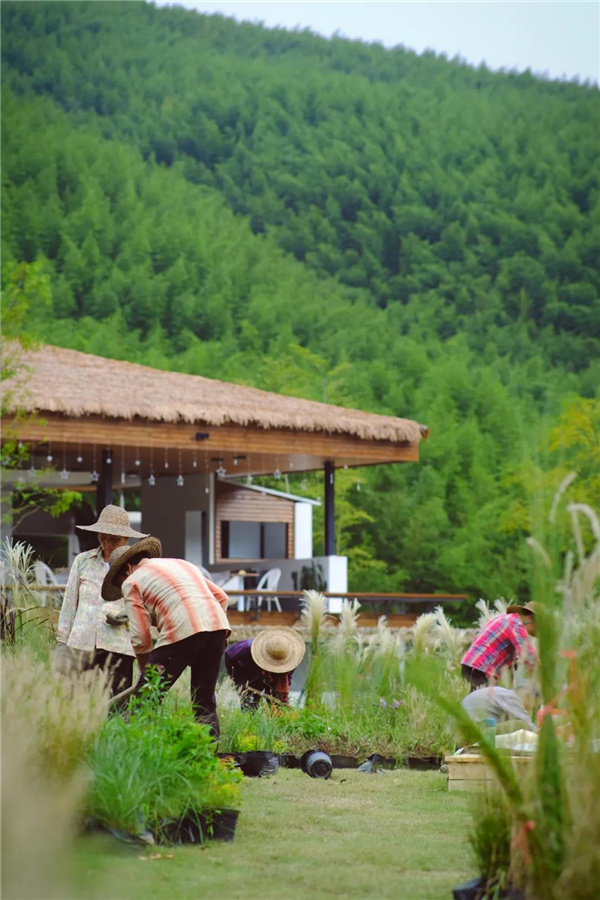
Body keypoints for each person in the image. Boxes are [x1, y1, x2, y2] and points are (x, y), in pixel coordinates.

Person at [101, 536, 231, 737]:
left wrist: (145, 673)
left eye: (120, 583)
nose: (122, 587)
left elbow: (140, 637)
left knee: (145, 699)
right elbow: (222, 597)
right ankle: (208, 758)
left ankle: (133, 753)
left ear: (127, 569)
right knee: (204, 700)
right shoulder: (183, 564)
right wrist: (208, 635)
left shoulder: (132, 581)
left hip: (182, 630)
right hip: (217, 628)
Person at [55, 504, 147, 696]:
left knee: (115, 705)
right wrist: (62, 641)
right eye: (103, 538)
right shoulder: (83, 561)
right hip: (81, 642)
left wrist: (127, 616)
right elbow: (70, 603)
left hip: (118, 645)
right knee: (75, 701)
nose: (107, 544)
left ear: (126, 539)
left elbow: (144, 607)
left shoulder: (136, 567)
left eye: (114, 539)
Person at [461, 603, 537, 690]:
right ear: (532, 618)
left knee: (478, 700)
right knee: (488, 700)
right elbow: (528, 655)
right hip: (481, 667)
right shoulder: (516, 624)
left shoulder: (506, 619)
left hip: (472, 664)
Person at [224, 628, 306, 709]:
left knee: (279, 706)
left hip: (277, 677)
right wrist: (239, 679)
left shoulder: (291, 657)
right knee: (249, 706)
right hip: (251, 675)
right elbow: (229, 655)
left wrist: (281, 695)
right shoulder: (245, 649)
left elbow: (287, 678)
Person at [461, 686, 536, 733]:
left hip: (461, 730)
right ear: (528, 696)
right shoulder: (513, 697)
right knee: (522, 725)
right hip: (474, 731)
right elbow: (530, 728)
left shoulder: (501, 692)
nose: (528, 710)